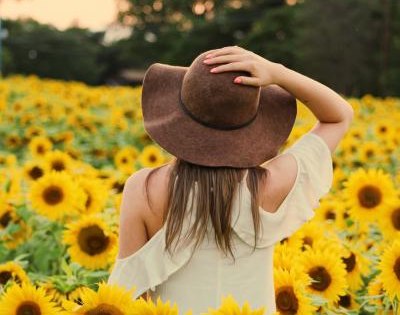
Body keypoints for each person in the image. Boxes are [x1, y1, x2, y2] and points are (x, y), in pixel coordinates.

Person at [107, 45, 354, 314]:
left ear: (178, 115)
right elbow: (339, 117)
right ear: (251, 123)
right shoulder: (273, 185)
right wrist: (277, 72)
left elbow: (128, 293)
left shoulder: (144, 189)